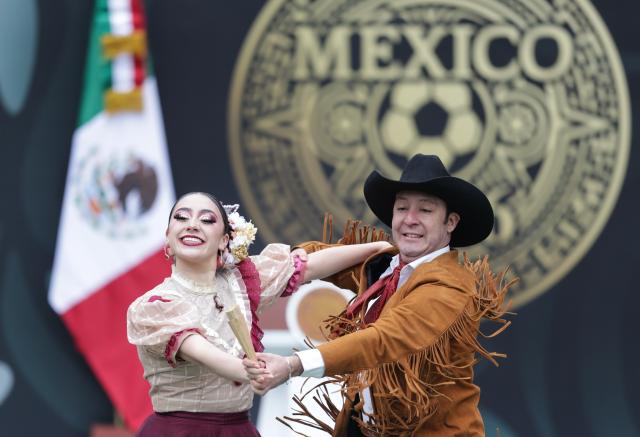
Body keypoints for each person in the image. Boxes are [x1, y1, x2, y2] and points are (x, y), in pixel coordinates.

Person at [244, 154, 515, 436]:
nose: (410, 219)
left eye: (425, 210)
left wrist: (292, 365)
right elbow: (319, 257)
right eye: (401, 208)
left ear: (451, 222)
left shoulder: (449, 286)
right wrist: (251, 269)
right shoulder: (385, 265)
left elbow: (384, 339)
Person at [126, 192, 391, 436]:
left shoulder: (240, 282)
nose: (192, 224)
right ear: (168, 238)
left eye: (206, 219)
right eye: (181, 217)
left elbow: (308, 267)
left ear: (224, 240)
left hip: (237, 430)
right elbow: (207, 355)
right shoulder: (154, 306)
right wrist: (258, 373)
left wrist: (380, 249)